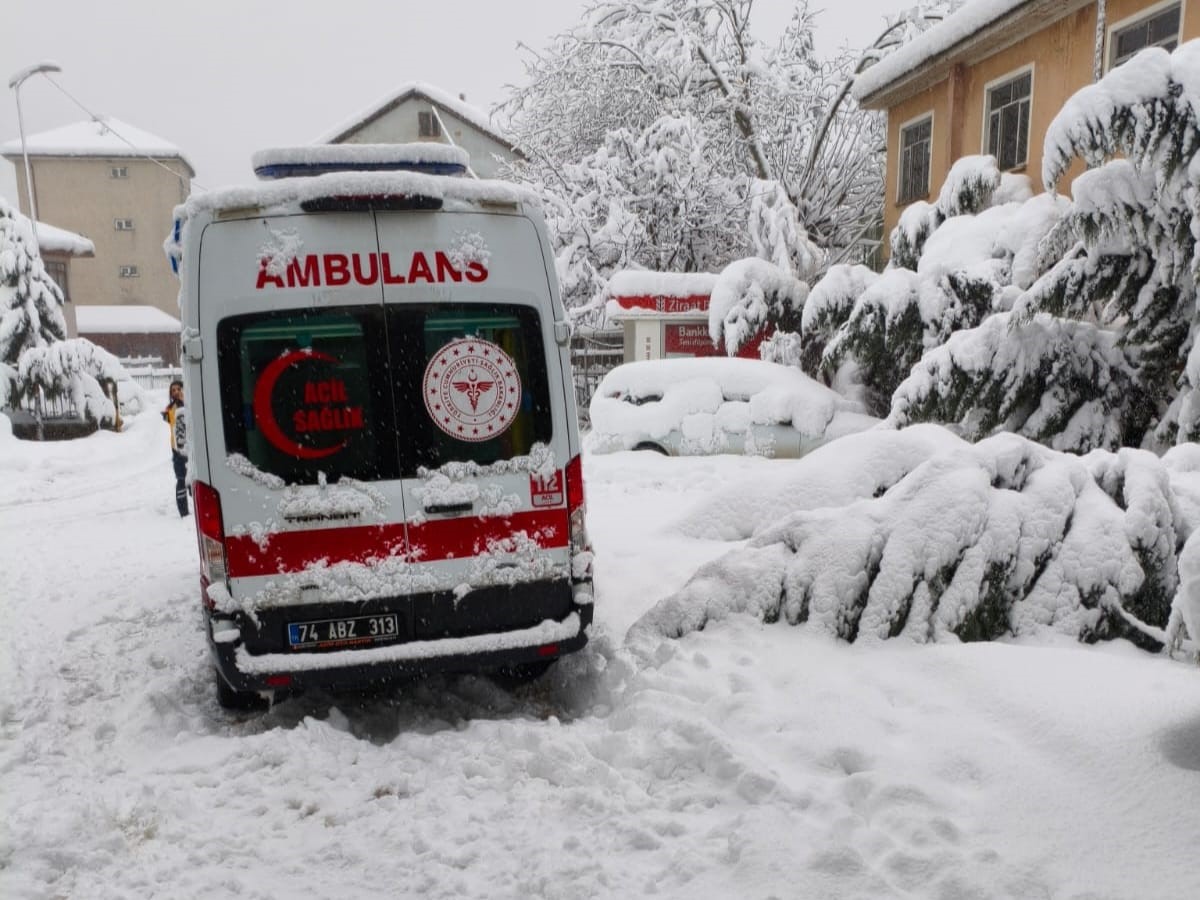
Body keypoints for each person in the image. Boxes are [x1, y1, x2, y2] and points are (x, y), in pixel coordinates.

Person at [162, 380, 189, 517]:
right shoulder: (171, 409)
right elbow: (173, 418)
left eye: (179, 389)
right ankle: (183, 511)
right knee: (181, 479)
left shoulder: (189, 403)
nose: (176, 392)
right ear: (171, 394)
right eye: (173, 390)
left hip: (191, 449)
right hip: (177, 450)